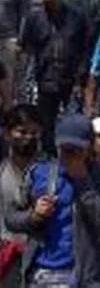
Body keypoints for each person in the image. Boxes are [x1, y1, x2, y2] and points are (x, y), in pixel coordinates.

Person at [5, 114, 100, 287]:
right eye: (65, 149)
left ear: (89, 148)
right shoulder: (39, 172)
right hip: (43, 273)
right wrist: (33, 216)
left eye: (77, 150)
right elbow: (11, 218)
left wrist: (83, 180)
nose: (70, 156)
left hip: (85, 276)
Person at [19, 0, 88, 154]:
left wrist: (81, 81)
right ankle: (48, 157)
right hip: (45, 78)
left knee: (72, 122)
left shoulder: (76, 18)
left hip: (70, 79)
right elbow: (26, 47)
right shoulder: (34, 18)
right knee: (45, 123)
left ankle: (72, 155)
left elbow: (84, 51)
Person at [0, 105, 40, 288]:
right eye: (22, 132)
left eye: (34, 132)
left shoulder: (50, 172)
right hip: (5, 259)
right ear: (8, 134)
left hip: (39, 258)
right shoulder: (1, 172)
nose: (28, 138)